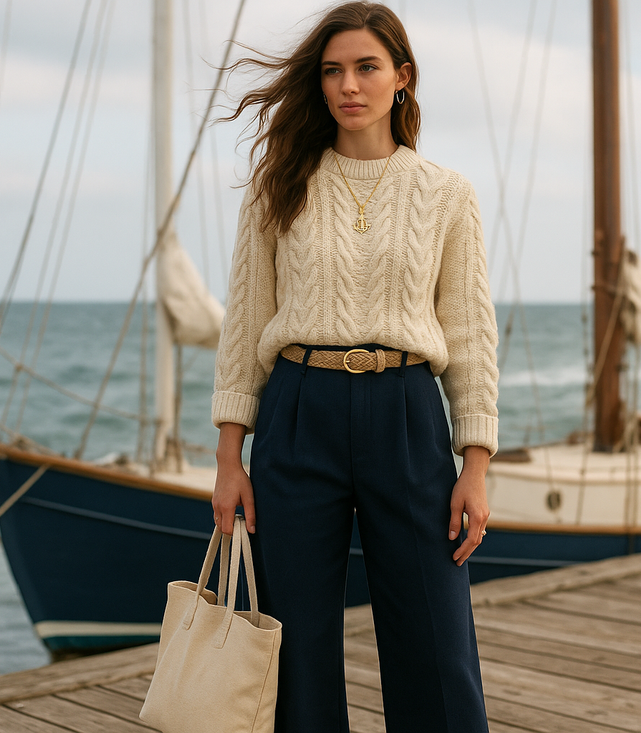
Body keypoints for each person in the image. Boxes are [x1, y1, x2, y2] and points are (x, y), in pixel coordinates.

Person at [210, 3, 498, 731]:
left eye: (367, 67)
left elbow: (469, 335)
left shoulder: (447, 194)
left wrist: (476, 463)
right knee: (296, 636)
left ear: (402, 77)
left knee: (435, 633)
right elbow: (244, 325)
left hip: (406, 411)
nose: (348, 84)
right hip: (297, 410)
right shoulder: (279, 185)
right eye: (333, 69)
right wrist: (227, 458)